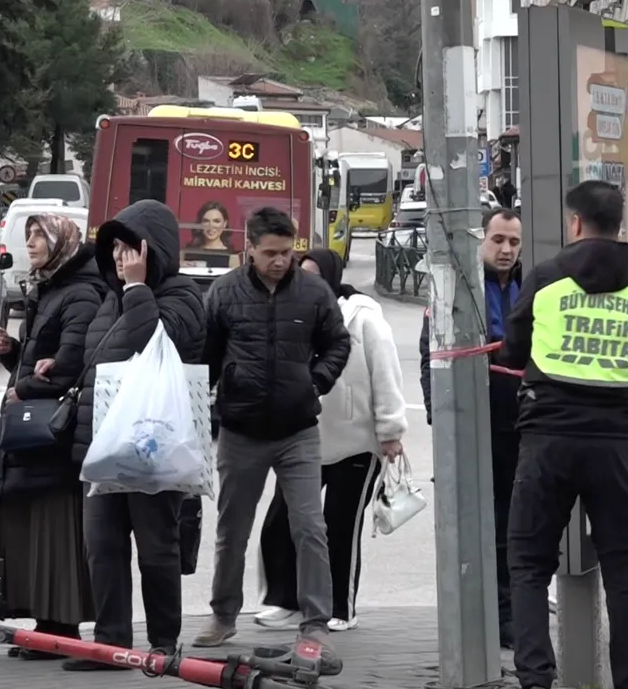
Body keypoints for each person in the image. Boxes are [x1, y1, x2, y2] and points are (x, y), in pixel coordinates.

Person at [499, 180, 628, 689]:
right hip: (618, 445)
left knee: (529, 564)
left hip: (548, 439)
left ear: (574, 223)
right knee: (625, 575)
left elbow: (513, 351)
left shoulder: (546, 279)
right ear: (620, 225)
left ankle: (536, 679)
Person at [193, 208, 352, 652]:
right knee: (232, 531)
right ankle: (223, 615)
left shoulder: (314, 292)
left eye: (287, 252)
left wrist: (315, 382)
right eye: (270, 253)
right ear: (249, 248)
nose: (280, 261)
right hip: (240, 431)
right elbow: (206, 356)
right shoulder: (224, 293)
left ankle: (316, 622)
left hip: (298, 431)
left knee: (310, 528)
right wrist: (199, 409)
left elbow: (338, 343)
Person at [62, 200, 209, 671]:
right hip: (106, 448)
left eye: (130, 248)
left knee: (156, 549)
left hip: (154, 447)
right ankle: (111, 643)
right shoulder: (112, 297)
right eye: (115, 249)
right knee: (102, 548)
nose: (120, 257)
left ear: (154, 250)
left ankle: (164, 642)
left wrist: (139, 288)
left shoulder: (182, 295)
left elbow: (157, 344)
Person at [255, 248, 407, 632]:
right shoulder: (292, 315)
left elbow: (386, 373)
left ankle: (341, 607)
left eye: (314, 275)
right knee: (281, 522)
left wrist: (390, 431)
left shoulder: (363, 318)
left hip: (356, 444)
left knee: (340, 527)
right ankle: (285, 601)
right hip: (305, 442)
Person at [0, 214, 105, 660]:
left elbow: (72, 365)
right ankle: (45, 628)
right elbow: (42, 360)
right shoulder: (49, 288)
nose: (30, 243)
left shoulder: (80, 293)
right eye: (28, 235)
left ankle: (59, 630)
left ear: (61, 244)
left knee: (53, 534)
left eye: (39, 236)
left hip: (53, 440)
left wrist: (26, 387)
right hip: (36, 439)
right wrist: (13, 354)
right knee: (31, 531)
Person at [419, 205, 523, 648]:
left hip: (522, 424)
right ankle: (487, 613)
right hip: (474, 423)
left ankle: (511, 611)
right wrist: (439, 417)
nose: (506, 250)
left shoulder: (529, 285)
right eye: (498, 240)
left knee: (515, 523)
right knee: (480, 523)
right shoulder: (460, 288)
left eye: (514, 242)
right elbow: (431, 357)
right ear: (481, 240)